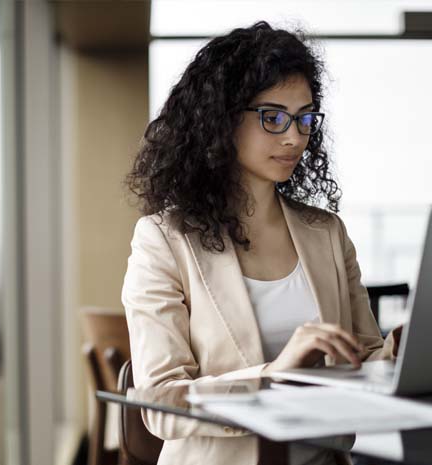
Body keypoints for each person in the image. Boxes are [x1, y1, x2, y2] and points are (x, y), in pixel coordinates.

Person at [122, 22, 399, 465]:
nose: (294, 137)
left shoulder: (327, 233)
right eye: (273, 117)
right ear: (221, 118)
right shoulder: (164, 240)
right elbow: (160, 402)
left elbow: (362, 359)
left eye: (305, 118)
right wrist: (274, 375)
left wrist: (398, 351)